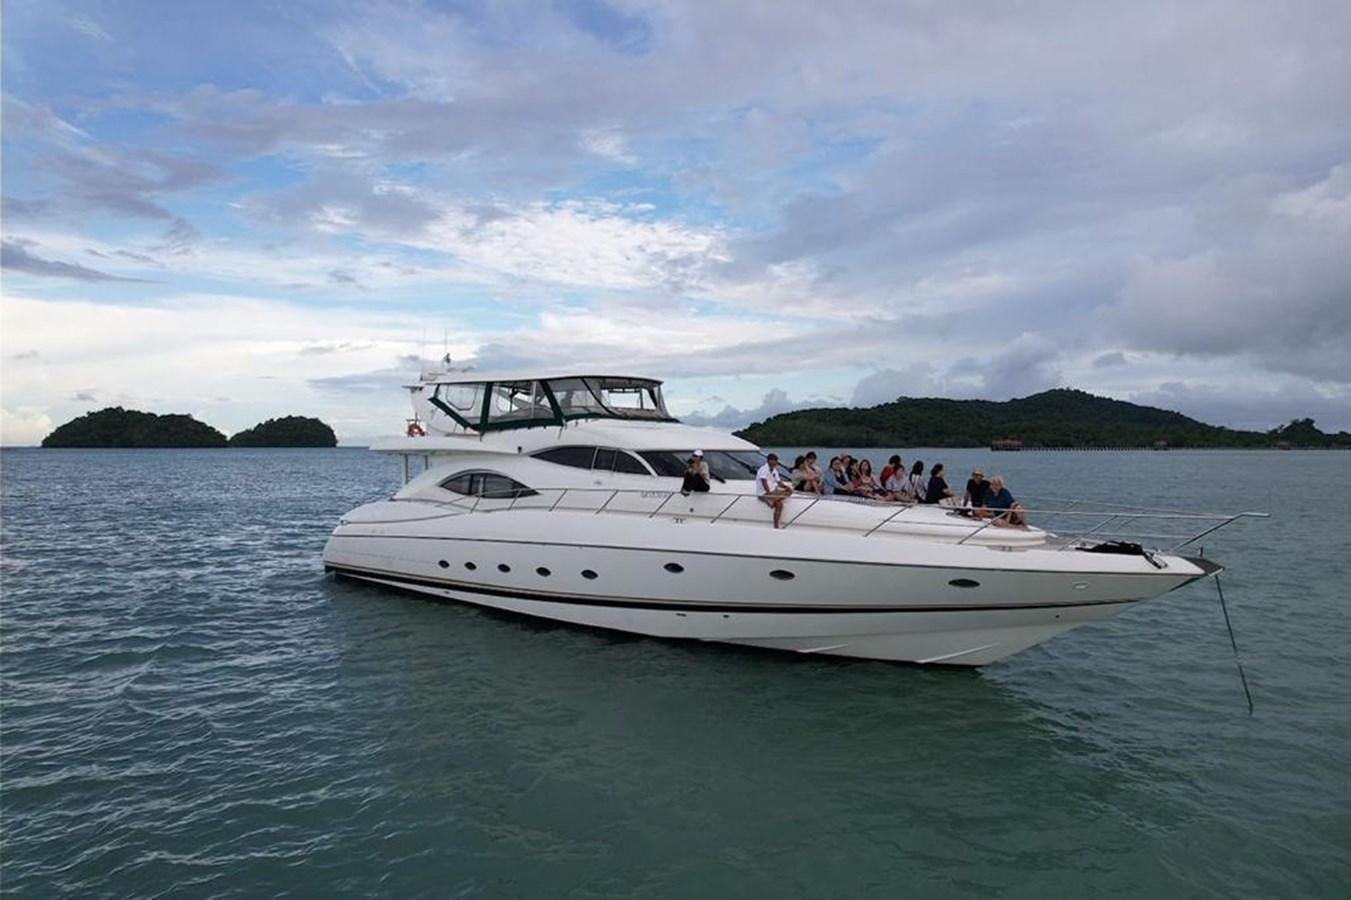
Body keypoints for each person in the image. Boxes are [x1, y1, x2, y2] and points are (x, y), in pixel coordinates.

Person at [756, 452, 793, 528]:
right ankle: (776, 525)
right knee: (779, 504)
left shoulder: (774, 470)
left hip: (773, 491)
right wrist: (769, 494)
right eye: (774, 461)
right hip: (763, 492)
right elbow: (764, 482)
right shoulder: (763, 469)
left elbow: (779, 482)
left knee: (789, 493)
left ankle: (773, 501)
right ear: (769, 461)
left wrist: (786, 487)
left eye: (776, 461)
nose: (775, 462)